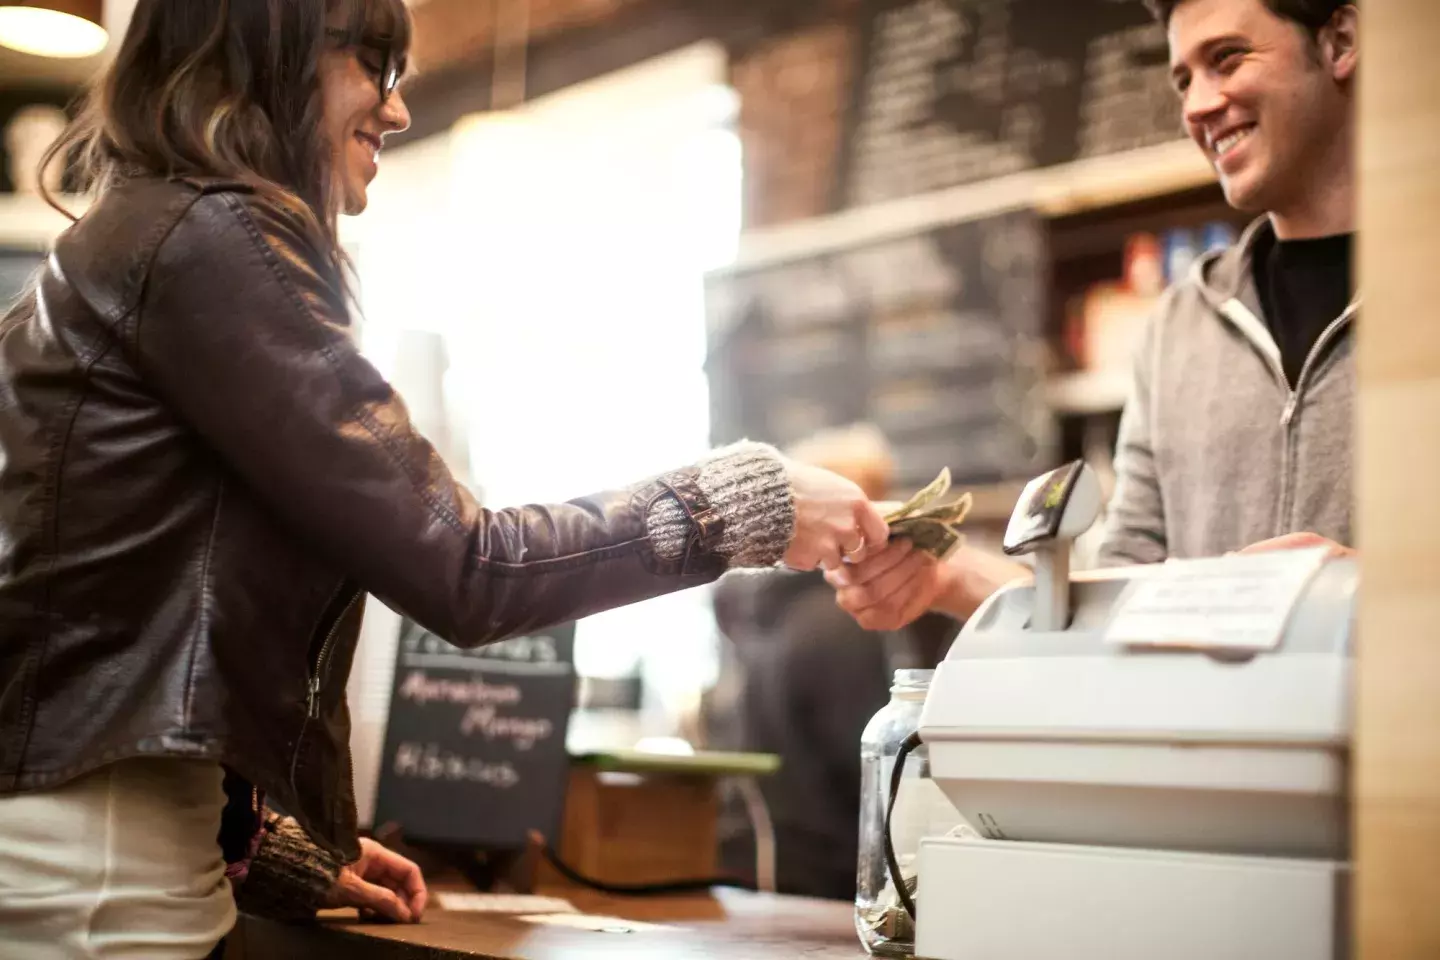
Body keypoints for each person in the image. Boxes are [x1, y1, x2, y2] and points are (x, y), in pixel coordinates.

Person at [0, 2, 890, 957]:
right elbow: (469, 568)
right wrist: (744, 503)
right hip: (95, 876)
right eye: (370, 64)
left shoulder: (138, 240)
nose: (396, 111)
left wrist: (251, 842)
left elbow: (115, 604)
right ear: (269, 48)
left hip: (88, 847)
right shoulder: (214, 237)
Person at [831, 0, 1360, 630]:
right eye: (1184, 80)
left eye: (1226, 59)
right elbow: (1122, 593)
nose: (1197, 106)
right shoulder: (1180, 325)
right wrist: (950, 573)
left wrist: (1369, 589)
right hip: (1212, 731)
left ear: (1339, 42)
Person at [706, 425, 957, 900]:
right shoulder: (845, 622)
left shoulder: (763, 613)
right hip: (826, 883)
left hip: (754, 870)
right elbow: (879, 774)